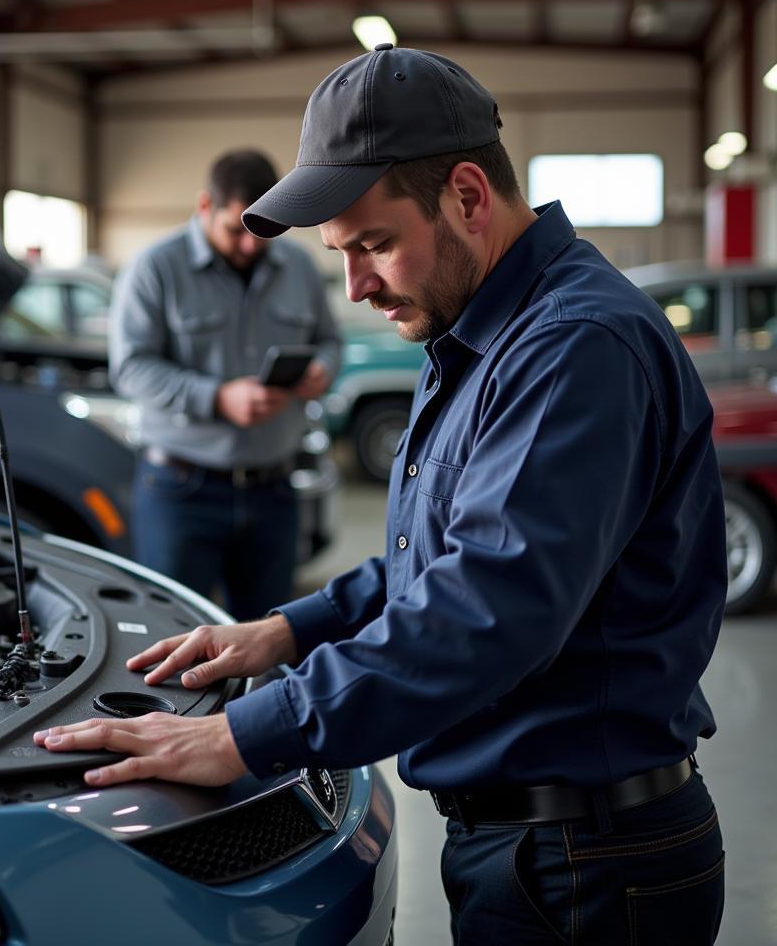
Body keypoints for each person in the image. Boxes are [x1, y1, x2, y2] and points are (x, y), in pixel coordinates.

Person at [41, 47, 727, 943]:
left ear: (469, 198)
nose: (358, 286)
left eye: (375, 245)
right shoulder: (479, 338)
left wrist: (243, 736)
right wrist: (285, 630)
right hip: (534, 843)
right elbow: (439, 553)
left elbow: (485, 607)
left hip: (588, 868)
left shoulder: (574, 350)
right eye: (343, 255)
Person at [109, 149, 341, 620]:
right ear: (203, 207)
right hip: (181, 491)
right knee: (170, 636)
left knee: (268, 638)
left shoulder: (298, 267)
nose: (252, 245)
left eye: (266, 230)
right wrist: (215, 398)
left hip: (275, 490)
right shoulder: (155, 269)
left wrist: (323, 367)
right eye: (238, 229)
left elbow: (330, 340)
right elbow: (130, 367)